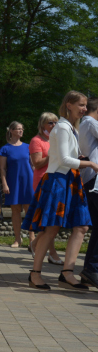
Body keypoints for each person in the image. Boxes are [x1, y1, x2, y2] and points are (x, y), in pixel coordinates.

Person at [23, 91, 97, 291]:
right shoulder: (63, 127)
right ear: (69, 105)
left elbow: (65, 156)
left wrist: (79, 157)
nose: (84, 109)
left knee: (81, 227)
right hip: (59, 180)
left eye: (85, 105)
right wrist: (90, 162)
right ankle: (35, 273)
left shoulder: (71, 128)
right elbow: (63, 160)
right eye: (81, 105)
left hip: (70, 180)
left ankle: (67, 273)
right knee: (51, 229)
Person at [28, 113, 62, 264]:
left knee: (53, 218)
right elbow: (37, 163)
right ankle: (51, 252)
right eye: (50, 123)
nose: (54, 125)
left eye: (56, 122)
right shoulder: (36, 140)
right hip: (43, 182)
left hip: (56, 181)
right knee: (49, 219)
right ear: (42, 125)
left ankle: (36, 244)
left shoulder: (55, 140)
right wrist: (53, 154)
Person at [0, 122, 34, 248]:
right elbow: (2, 169)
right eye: (18, 129)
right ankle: (17, 239)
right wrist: (4, 184)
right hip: (13, 182)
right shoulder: (5, 149)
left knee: (29, 210)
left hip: (28, 181)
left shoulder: (29, 147)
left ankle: (32, 239)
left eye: (21, 129)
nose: (20, 131)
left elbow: (33, 165)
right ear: (11, 131)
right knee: (15, 211)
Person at [79, 97, 98, 288]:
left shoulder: (84, 125)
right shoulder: (91, 123)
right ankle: (92, 268)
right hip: (95, 179)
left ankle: (90, 269)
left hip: (89, 179)